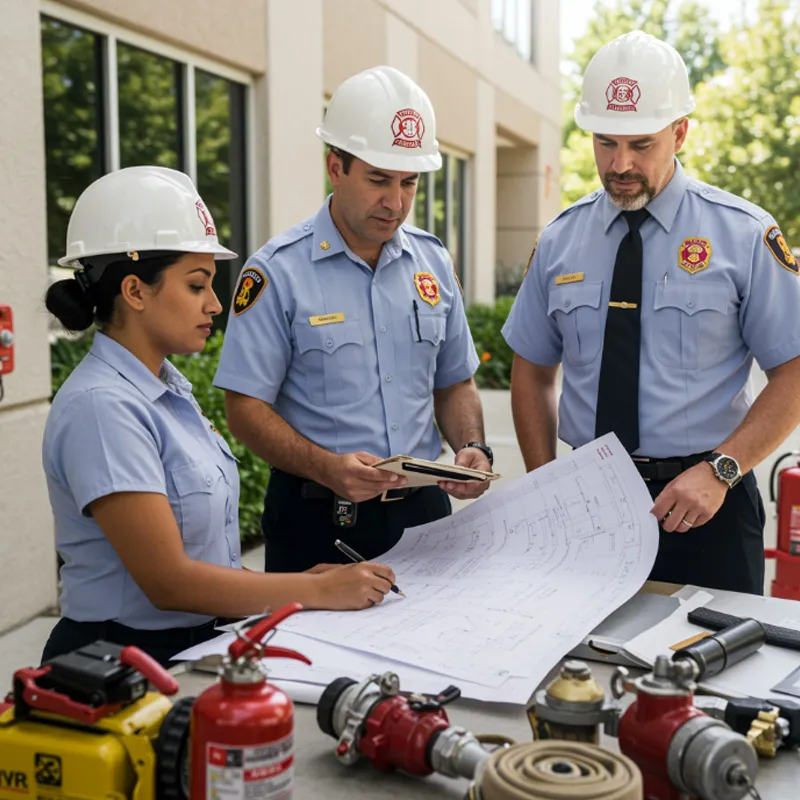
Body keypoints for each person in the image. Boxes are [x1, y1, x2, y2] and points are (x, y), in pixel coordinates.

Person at [41, 166, 397, 667]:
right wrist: (318, 592)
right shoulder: (103, 408)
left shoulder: (165, 391)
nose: (214, 304)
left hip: (182, 645)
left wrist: (301, 584)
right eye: (196, 285)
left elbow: (204, 566)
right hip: (116, 661)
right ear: (135, 291)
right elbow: (169, 582)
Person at [502, 31, 800, 595]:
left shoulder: (742, 235)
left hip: (708, 506)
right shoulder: (561, 240)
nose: (620, 164)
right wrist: (546, 484)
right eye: (605, 143)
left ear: (680, 131)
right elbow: (534, 372)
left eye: (641, 144)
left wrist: (722, 471)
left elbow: (794, 371)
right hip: (589, 509)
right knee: (581, 675)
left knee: (716, 676)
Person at [213, 66, 492, 573]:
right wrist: (325, 467)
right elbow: (244, 408)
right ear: (335, 166)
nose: (396, 202)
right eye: (378, 179)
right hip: (318, 519)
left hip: (427, 516)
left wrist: (471, 446)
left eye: (410, 182)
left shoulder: (433, 262)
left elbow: (454, 382)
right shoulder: (277, 271)